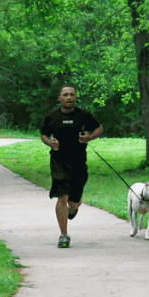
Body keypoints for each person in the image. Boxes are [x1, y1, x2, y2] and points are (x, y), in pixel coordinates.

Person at [40, 85, 103, 248]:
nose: (69, 97)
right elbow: (44, 134)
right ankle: (64, 235)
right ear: (59, 99)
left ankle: (74, 207)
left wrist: (89, 137)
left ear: (75, 97)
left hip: (78, 161)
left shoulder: (84, 115)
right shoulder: (52, 116)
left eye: (72, 94)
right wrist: (50, 142)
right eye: (65, 95)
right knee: (62, 195)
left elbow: (98, 129)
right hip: (59, 160)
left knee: (74, 200)